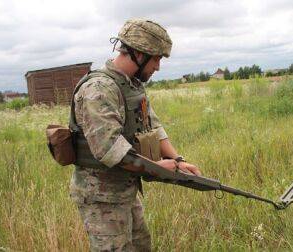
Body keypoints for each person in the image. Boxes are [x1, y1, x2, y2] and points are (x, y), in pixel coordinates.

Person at [69, 19, 201, 251]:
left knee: (141, 246)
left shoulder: (132, 85)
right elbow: (111, 151)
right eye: (157, 58)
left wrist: (179, 160)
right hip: (101, 197)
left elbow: (154, 128)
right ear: (139, 54)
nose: (158, 67)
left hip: (126, 189)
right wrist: (159, 168)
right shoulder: (99, 89)